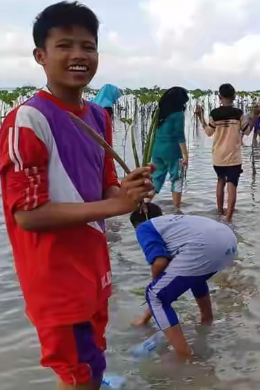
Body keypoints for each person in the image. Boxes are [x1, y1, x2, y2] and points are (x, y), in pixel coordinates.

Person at [0, 3, 155, 389]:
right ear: (40, 55)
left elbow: (106, 187)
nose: (78, 56)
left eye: (88, 46)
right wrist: (115, 204)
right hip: (55, 278)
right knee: (79, 373)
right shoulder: (28, 119)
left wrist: (129, 191)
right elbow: (28, 215)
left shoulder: (99, 117)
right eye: (64, 45)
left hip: (94, 267)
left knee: (89, 366)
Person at [130, 203, 237, 359]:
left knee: (155, 295)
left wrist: (156, 290)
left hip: (204, 246)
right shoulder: (172, 224)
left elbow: (159, 263)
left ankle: (184, 356)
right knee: (194, 278)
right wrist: (146, 317)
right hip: (229, 242)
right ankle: (206, 322)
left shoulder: (144, 227)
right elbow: (185, 273)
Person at [197, 83, 257, 223]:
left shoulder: (214, 114)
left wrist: (200, 117)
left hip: (218, 157)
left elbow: (208, 132)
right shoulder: (238, 114)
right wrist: (255, 116)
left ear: (220, 97)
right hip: (233, 157)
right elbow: (247, 131)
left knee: (220, 182)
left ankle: (219, 211)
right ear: (234, 97)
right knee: (232, 186)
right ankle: (229, 218)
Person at [151, 87, 189, 212]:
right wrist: (185, 155)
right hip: (172, 151)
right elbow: (180, 135)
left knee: (156, 179)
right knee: (176, 179)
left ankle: (144, 204)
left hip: (156, 150)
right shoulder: (178, 115)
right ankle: (177, 210)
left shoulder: (159, 113)